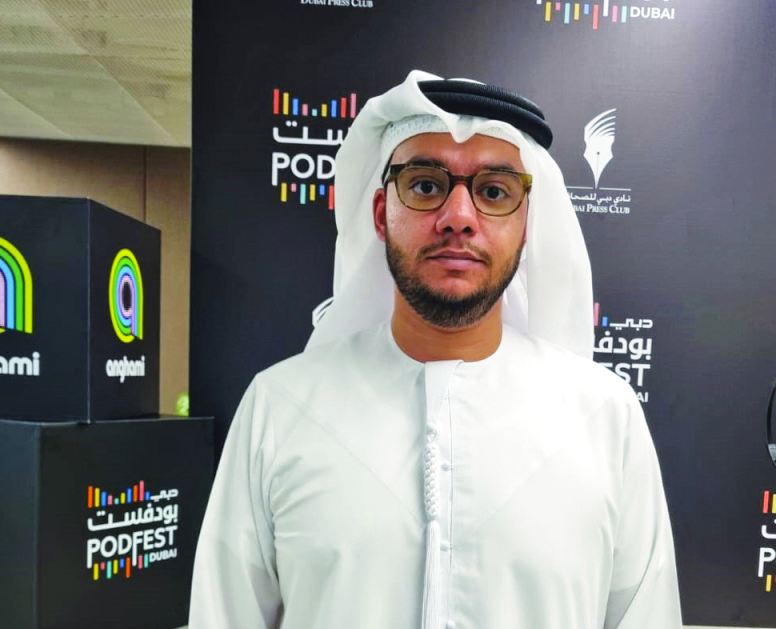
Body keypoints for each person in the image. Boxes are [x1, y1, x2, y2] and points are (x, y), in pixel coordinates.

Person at [188, 70, 682, 629]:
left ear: (527, 226)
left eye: (493, 192)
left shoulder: (605, 417)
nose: (459, 218)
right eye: (425, 186)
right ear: (381, 214)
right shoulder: (280, 407)